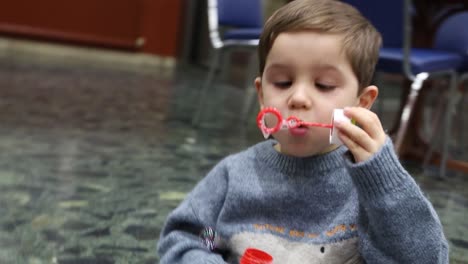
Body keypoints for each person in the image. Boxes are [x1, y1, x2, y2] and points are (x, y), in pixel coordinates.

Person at [157, 0, 449, 263]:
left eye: (323, 85)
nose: (298, 98)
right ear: (261, 95)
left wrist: (385, 179)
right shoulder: (233, 178)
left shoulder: (372, 191)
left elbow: (425, 258)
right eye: (283, 82)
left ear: (362, 103)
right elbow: (198, 235)